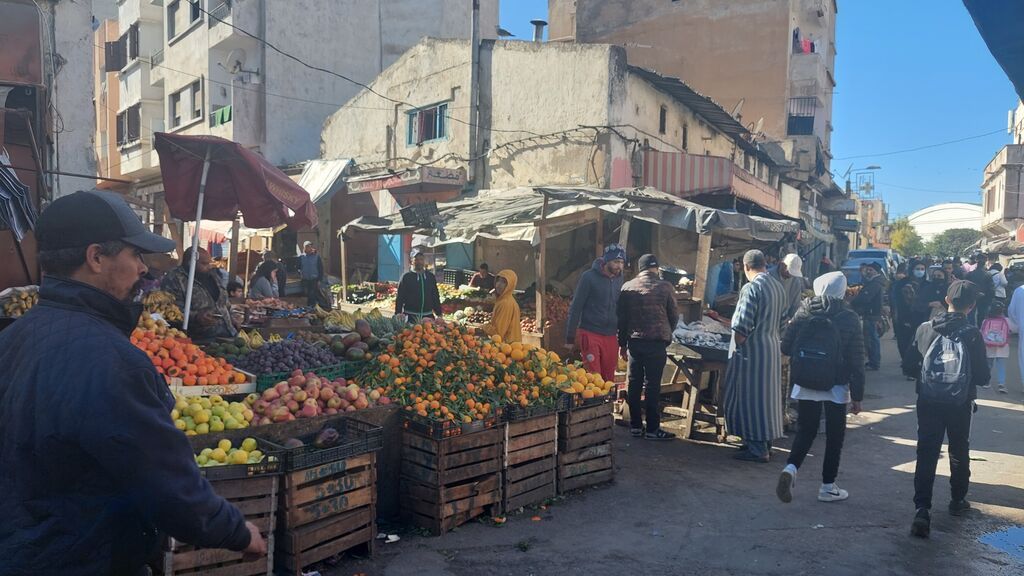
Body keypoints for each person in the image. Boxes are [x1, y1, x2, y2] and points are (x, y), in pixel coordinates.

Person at [0, 190, 266, 574]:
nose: (144, 268)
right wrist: (237, 532)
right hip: (86, 558)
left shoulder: (11, 339)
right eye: (135, 254)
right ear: (95, 258)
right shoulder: (115, 362)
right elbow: (165, 483)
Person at [901, 280, 989, 538]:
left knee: (927, 451)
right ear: (971, 306)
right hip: (960, 402)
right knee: (959, 449)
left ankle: (922, 509)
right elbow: (983, 376)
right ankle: (957, 500)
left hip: (928, 400)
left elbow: (908, 366)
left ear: (947, 300)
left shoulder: (926, 329)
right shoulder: (972, 334)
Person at [777, 271, 865, 504]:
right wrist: (858, 395)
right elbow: (857, 359)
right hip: (836, 384)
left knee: (807, 429)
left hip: (806, 380)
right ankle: (828, 486)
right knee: (835, 435)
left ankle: (791, 468)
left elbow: (785, 347)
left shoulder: (804, 310)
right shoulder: (849, 316)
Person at [723, 250, 787, 462]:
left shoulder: (752, 288)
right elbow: (782, 322)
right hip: (771, 348)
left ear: (746, 267)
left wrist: (739, 345)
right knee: (766, 399)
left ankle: (758, 449)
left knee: (750, 399)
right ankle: (763, 442)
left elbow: (742, 326)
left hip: (752, 352)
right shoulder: (778, 287)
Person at [617, 253, 679, 440]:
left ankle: (636, 426)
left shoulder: (627, 287)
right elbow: (674, 315)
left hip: (634, 342)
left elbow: (622, 319)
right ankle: (652, 429)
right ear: (656, 268)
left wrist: (621, 344)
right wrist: (667, 330)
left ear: (640, 269)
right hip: (656, 342)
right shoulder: (666, 287)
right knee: (652, 386)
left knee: (634, 383)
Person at [565, 245, 626, 382]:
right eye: (616, 262)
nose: (619, 266)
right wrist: (569, 338)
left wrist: (623, 340)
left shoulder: (619, 279)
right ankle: (594, 403)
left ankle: (608, 403)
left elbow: (620, 308)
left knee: (609, 377)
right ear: (607, 261)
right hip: (590, 332)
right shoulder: (588, 277)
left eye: (622, 263)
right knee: (594, 377)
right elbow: (576, 307)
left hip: (611, 335)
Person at [161, 246, 237, 340]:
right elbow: (172, 311)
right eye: (204, 264)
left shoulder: (212, 275)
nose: (209, 266)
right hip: (200, 339)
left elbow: (224, 302)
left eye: (209, 263)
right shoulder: (174, 279)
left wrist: (232, 317)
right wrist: (196, 317)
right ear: (190, 263)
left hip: (228, 334)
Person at [851, 261, 885, 371]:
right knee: (871, 337)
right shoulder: (873, 282)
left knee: (871, 338)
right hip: (871, 313)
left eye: (871, 270)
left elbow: (865, 298)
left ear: (876, 272)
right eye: (868, 270)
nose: (868, 272)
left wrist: (853, 301)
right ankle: (873, 361)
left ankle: (874, 362)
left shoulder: (875, 284)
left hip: (871, 314)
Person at [395, 249, 442, 320]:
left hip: (428, 316)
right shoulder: (406, 277)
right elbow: (400, 297)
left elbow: (435, 295)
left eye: (421, 259)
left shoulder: (430, 276)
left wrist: (439, 313)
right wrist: (398, 312)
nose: (419, 262)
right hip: (411, 316)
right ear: (411, 261)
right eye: (416, 259)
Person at [480, 270, 522, 343]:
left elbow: (497, 333)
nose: (498, 285)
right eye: (498, 281)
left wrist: (484, 327)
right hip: (513, 345)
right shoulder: (508, 300)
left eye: (504, 282)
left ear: (510, 285)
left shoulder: (504, 303)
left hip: (506, 347)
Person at [981, 300, 1010, 394]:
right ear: (1002, 311)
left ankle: (987, 382)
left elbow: (981, 332)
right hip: (1003, 347)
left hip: (989, 347)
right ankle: (1001, 384)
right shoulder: (1006, 321)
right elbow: (1011, 330)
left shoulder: (986, 321)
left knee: (989, 365)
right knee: (1001, 366)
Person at [771, 253, 806, 324]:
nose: (790, 275)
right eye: (788, 271)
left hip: (784, 322)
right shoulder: (768, 276)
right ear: (782, 265)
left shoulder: (795, 282)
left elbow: (795, 305)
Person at [966, 252, 995, 325]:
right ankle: (981, 330)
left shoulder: (970, 274)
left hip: (972, 297)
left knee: (971, 316)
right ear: (985, 262)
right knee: (981, 316)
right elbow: (991, 289)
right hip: (984, 298)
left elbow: (966, 286)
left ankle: (972, 330)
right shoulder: (988, 274)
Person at [299, 241, 327, 307]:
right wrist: (300, 274)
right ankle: (309, 308)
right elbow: (299, 267)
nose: (309, 248)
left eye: (310, 246)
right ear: (304, 248)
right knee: (307, 295)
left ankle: (313, 307)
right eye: (307, 246)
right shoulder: (301, 257)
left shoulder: (316, 257)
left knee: (313, 294)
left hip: (314, 279)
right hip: (305, 279)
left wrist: (320, 280)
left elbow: (320, 268)